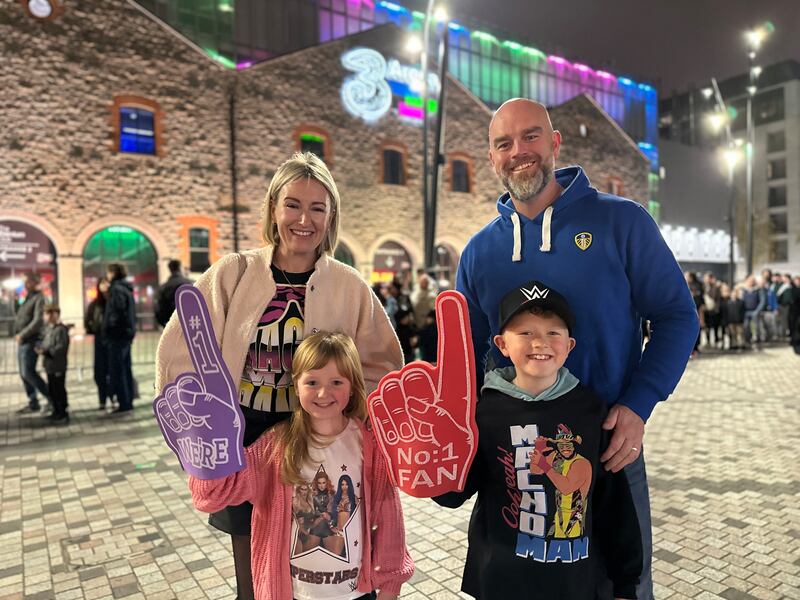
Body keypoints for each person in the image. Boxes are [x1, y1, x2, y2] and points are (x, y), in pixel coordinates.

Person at [456, 98, 698, 600]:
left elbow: (677, 317)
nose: (519, 152)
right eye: (504, 143)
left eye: (530, 137)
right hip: (514, 458)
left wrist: (638, 405)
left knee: (622, 583)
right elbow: (467, 359)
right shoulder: (480, 252)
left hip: (607, 451)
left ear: (555, 142)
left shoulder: (623, 222)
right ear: (491, 156)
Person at [155, 152, 402, 600]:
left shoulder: (349, 286)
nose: (303, 219)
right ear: (273, 208)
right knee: (253, 565)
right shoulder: (234, 273)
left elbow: (382, 368)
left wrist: (362, 431)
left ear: (331, 218)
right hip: (243, 436)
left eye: (317, 208)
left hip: (319, 439)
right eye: (293, 204)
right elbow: (183, 351)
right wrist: (195, 430)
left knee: (315, 558)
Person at [435, 281, 642, 600]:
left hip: (574, 581)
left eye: (552, 333)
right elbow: (457, 491)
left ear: (570, 344)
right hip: (501, 580)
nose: (540, 342)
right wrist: (430, 463)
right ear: (502, 344)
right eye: (525, 333)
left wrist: (626, 582)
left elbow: (613, 503)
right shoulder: (483, 410)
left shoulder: (590, 410)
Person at [188, 331, 413, 600]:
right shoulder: (275, 446)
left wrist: (390, 586)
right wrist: (205, 443)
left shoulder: (370, 445)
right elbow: (213, 495)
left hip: (356, 593)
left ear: (353, 385)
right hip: (292, 593)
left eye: (336, 382)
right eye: (312, 381)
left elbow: (389, 518)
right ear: (296, 385)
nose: (323, 392)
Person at [14, 273, 50, 414]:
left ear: (35, 283)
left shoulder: (39, 298)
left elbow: (38, 321)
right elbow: (19, 315)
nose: (26, 285)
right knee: (24, 373)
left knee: (28, 372)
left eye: (28, 282)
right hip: (23, 340)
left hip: (31, 339)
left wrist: (23, 334)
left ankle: (51, 398)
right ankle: (33, 402)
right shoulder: (28, 298)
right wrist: (15, 299)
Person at [103, 263, 137, 413]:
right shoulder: (126, 288)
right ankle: (128, 401)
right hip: (126, 333)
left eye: (108, 272)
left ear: (113, 273)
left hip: (118, 335)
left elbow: (117, 312)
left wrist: (110, 329)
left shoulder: (116, 289)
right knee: (126, 368)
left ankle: (124, 403)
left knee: (118, 370)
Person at [36, 304, 70, 424]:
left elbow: (61, 347)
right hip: (50, 365)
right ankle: (56, 411)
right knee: (52, 389)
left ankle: (62, 412)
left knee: (59, 389)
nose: (45, 317)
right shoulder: (49, 329)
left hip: (58, 365)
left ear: (54, 315)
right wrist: (40, 348)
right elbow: (44, 342)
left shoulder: (60, 329)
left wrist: (48, 352)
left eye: (47, 314)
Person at [84, 277, 112, 409]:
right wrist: (92, 328)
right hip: (99, 339)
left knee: (112, 371)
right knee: (99, 372)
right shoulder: (95, 304)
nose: (104, 286)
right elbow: (87, 321)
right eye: (102, 284)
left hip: (112, 339)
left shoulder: (113, 302)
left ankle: (113, 397)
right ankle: (102, 399)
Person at [154, 259, 193, 327]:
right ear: (180, 268)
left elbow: (158, 309)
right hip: (188, 325)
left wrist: (164, 324)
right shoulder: (189, 284)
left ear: (170, 269)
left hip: (171, 325)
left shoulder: (164, 287)